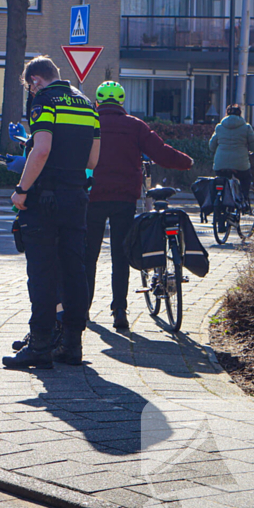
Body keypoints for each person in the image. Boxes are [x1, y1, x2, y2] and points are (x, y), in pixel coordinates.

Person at [3, 56, 100, 369]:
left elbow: (41, 149)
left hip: (45, 200)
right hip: (76, 197)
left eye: (30, 87)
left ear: (35, 80)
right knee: (74, 271)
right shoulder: (87, 104)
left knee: (43, 274)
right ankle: (72, 345)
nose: (31, 92)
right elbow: (93, 161)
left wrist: (21, 190)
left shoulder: (44, 100)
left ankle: (40, 346)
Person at [84, 81, 193, 330]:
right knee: (120, 254)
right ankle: (119, 310)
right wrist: (186, 162)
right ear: (122, 102)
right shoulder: (134, 125)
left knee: (88, 255)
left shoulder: (90, 123)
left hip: (93, 196)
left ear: (97, 102)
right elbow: (160, 151)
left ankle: (83, 309)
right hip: (124, 198)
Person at [210, 103, 254, 202]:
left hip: (220, 164)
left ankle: (221, 202)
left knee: (221, 182)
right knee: (245, 178)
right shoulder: (246, 128)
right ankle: (244, 199)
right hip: (240, 164)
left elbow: (211, 146)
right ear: (240, 114)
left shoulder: (219, 127)